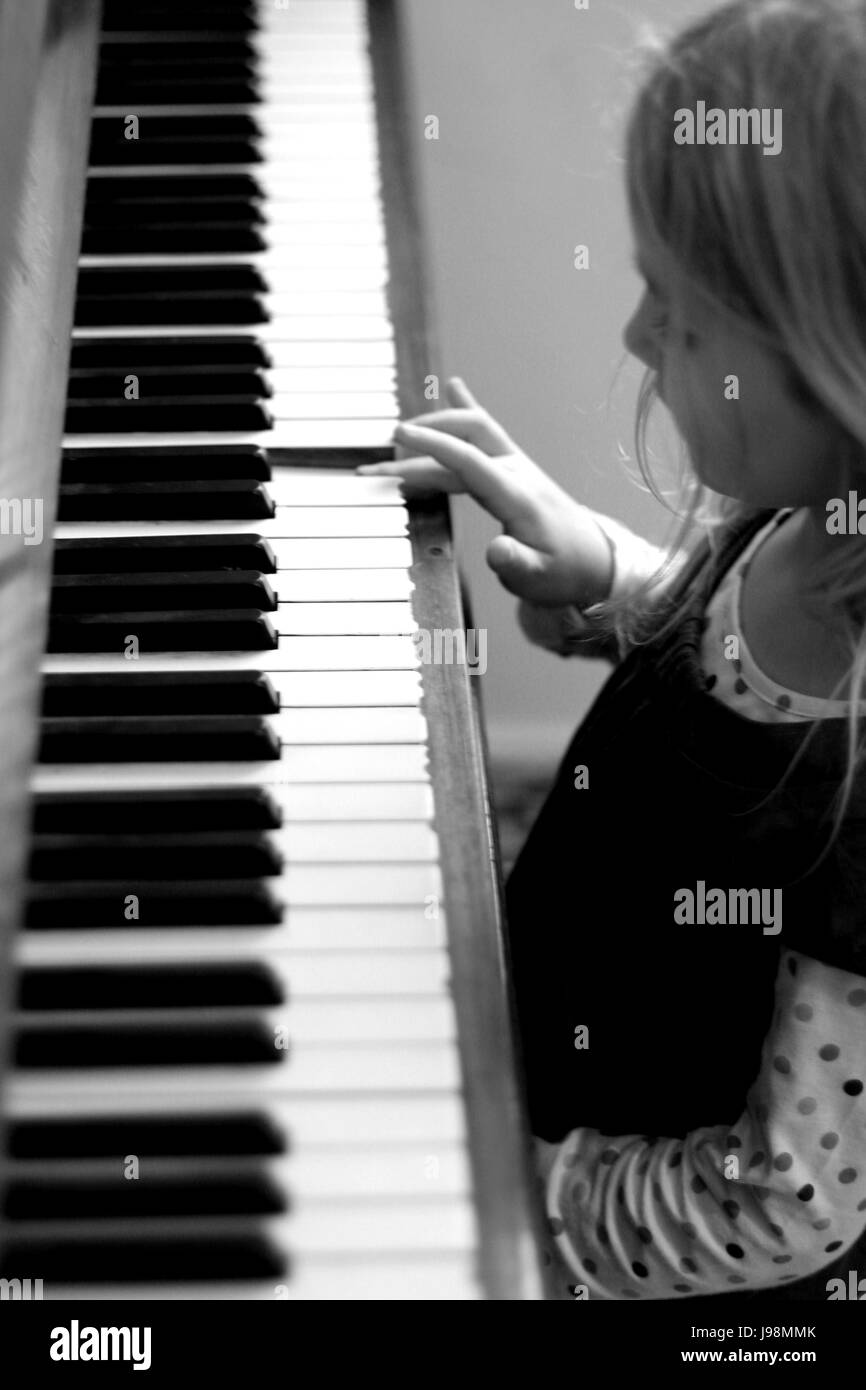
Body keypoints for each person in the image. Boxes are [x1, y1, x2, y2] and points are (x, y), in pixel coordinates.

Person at [358, 0, 866, 1301]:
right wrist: (606, 580)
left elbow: (786, 1205)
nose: (639, 335)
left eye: (681, 316)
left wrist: (528, 1198)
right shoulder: (813, 522)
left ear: (830, 367)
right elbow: (725, 686)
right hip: (573, 1022)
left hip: (620, 1224)